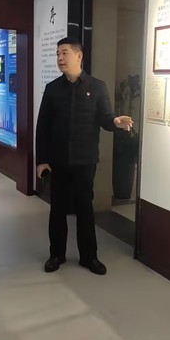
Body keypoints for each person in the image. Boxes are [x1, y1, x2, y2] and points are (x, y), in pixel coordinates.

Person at [35, 37, 134, 275]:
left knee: (84, 209)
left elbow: (106, 118)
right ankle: (56, 254)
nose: (60, 58)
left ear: (79, 55)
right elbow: (43, 127)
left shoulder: (97, 87)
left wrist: (115, 121)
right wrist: (42, 160)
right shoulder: (52, 89)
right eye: (58, 54)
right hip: (58, 161)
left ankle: (89, 257)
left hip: (85, 161)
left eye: (64, 53)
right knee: (57, 209)